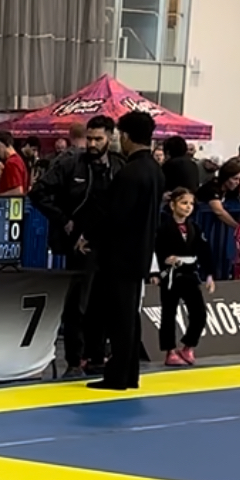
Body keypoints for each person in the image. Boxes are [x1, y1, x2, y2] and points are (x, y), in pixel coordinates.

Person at [31, 114, 116, 377]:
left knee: (102, 303)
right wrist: (66, 224)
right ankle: (74, 360)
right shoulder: (70, 163)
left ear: (110, 138)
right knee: (77, 305)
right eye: (89, 138)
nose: (92, 144)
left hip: (109, 244)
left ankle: (97, 355)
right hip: (80, 244)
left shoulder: (118, 166)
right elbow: (38, 192)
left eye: (98, 139)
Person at [89, 110, 167, 392]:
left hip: (120, 254)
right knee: (130, 315)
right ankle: (129, 373)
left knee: (119, 318)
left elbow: (116, 216)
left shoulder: (129, 173)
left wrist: (92, 237)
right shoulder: (155, 171)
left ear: (124, 136)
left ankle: (118, 375)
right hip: (142, 252)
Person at [156, 187, 214, 367]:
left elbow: (204, 251)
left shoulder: (194, 227)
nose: (188, 207)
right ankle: (170, 351)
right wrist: (159, 268)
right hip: (171, 276)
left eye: (191, 204)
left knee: (199, 313)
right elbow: (155, 250)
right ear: (172, 205)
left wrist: (209, 275)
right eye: (183, 203)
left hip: (190, 274)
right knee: (168, 314)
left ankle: (188, 346)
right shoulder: (162, 227)